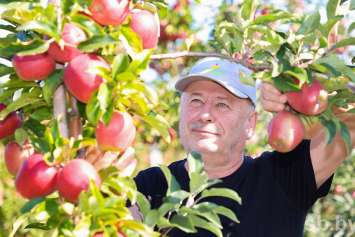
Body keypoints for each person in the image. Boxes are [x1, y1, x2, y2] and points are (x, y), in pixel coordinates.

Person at [89, 57, 355, 236]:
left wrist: (303, 93)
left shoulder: (283, 175)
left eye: (222, 104)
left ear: (250, 124)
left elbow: (351, 120)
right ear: (181, 111)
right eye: (195, 100)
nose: (205, 114)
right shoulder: (150, 186)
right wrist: (92, 194)